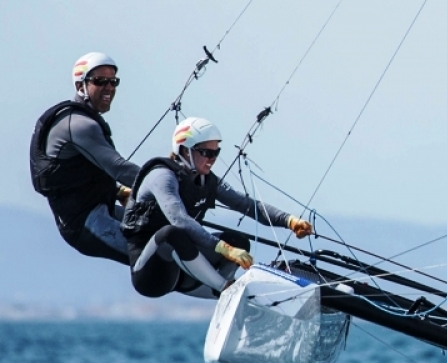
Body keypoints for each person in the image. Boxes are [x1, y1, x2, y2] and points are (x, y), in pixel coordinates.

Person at [121, 117, 313, 298]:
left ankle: (223, 290)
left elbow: (244, 204)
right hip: (150, 276)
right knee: (172, 233)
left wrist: (289, 221)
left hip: (187, 276)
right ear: (186, 150)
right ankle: (225, 288)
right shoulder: (162, 176)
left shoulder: (207, 180)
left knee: (239, 241)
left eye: (216, 152)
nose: (212, 159)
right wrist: (223, 248)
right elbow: (178, 219)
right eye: (207, 153)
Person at [29, 52, 140, 265]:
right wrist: (164, 182)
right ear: (81, 86)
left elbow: (83, 171)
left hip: (102, 208)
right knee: (160, 251)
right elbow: (119, 169)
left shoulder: (85, 120)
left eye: (113, 81)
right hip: (86, 224)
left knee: (165, 234)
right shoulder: (79, 125)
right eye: (100, 81)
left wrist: (117, 191)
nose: (109, 87)